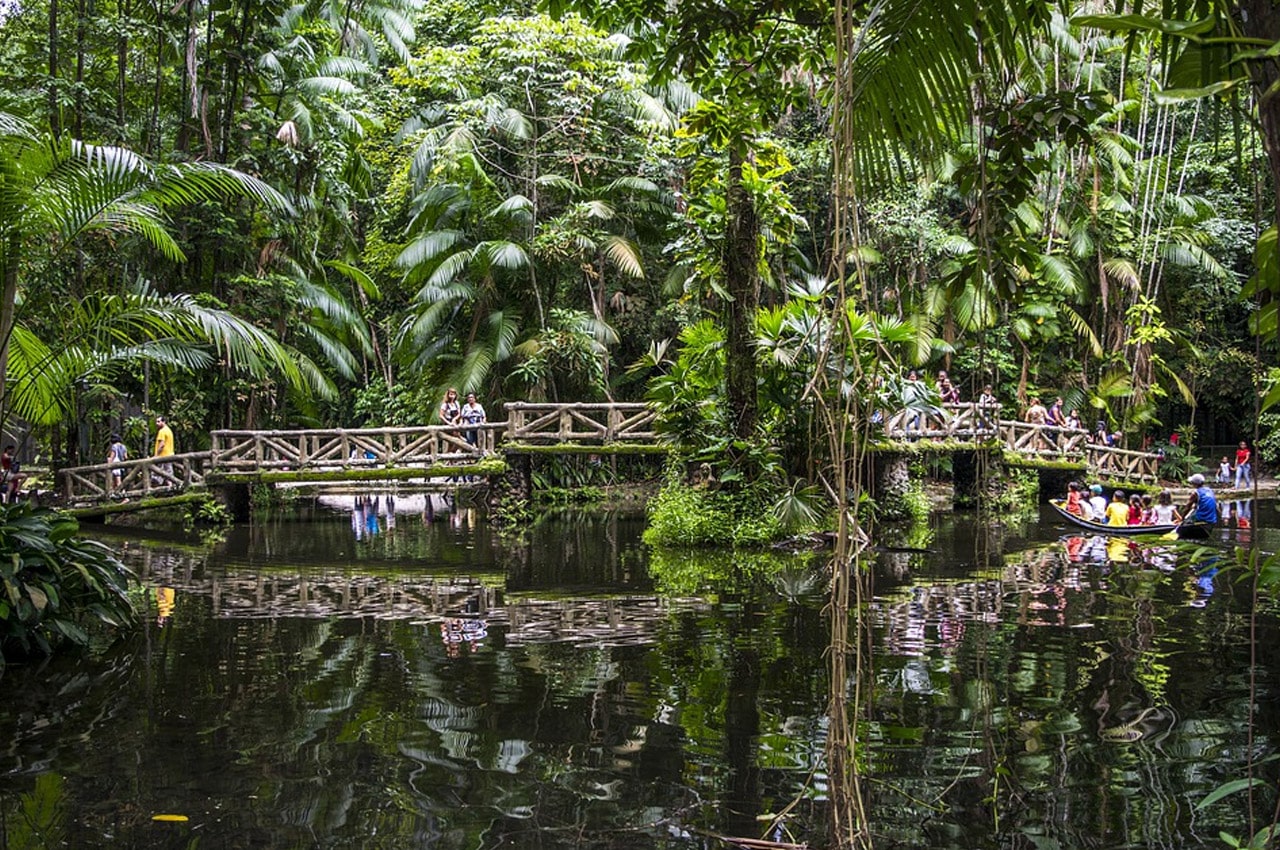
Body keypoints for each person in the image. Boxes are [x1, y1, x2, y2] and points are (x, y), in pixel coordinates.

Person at [152, 415, 175, 485]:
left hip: (163, 456)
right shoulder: (169, 430)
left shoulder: (162, 431)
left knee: (158, 473)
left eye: (159, 421)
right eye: (156, 422)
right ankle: (170, 487)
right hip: (169, 454)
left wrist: (156, 455)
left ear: (164, 422)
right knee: (168, 473)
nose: (157, 423)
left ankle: (159, 488)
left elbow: (162, 444)